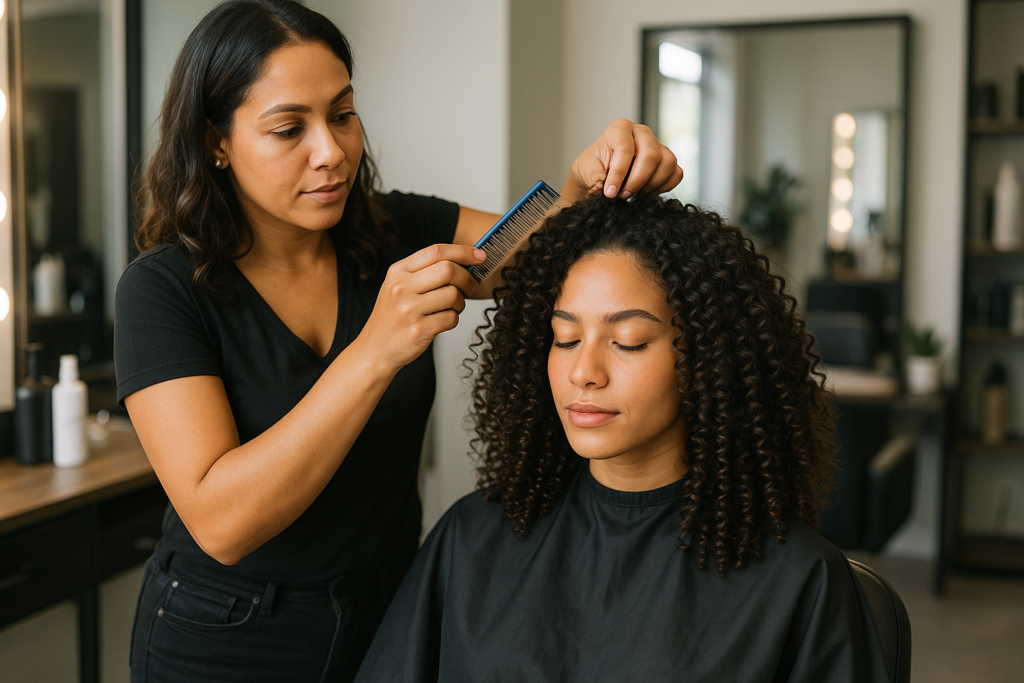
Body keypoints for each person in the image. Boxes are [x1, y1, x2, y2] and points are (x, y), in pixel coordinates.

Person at [113, 1, 682, 681]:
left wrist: (583, 187)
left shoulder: (393, 230)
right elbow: (222, 523)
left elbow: (550, 260)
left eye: (343, 114)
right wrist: (374, 350)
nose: (331, 152)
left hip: (388, 610)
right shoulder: (162, 290)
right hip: (224, 634)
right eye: (289, 128)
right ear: (216, 143)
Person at [354, 194, 893, 682]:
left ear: (705, 360)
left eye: (629, 342)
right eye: (565, 338)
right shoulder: (471, 540)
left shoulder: (799, 580)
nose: (583, 371)